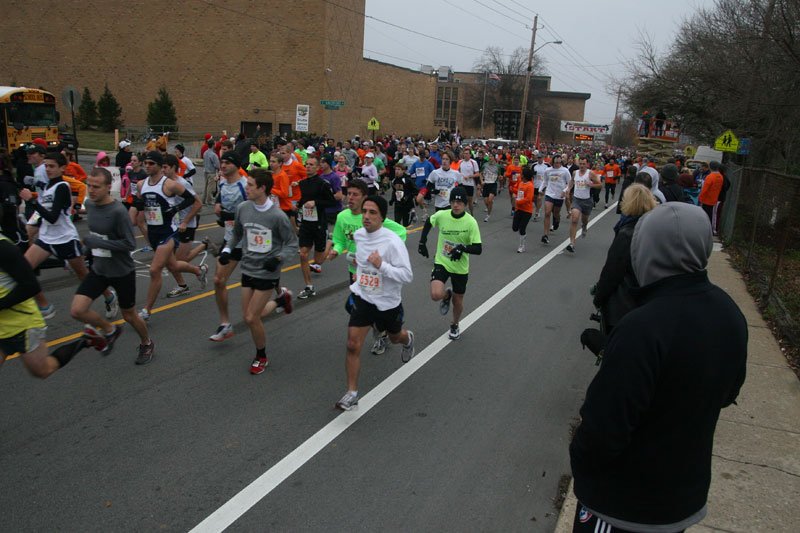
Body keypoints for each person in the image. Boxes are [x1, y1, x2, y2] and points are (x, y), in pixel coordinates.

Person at [570, 202, 748, 533]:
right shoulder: (730, 313)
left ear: (645, 249)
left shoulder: (642, 326)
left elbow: (602, 432)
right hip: (682, 499)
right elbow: (728, 392)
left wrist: (581, 459)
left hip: (621, 505)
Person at [335, 195, 415, 411]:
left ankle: (408, 340)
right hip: (364, 297)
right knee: (352, 344)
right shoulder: (359, 236)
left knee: (395, 336)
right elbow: (361, 263)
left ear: (381, 217)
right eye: (365, 212)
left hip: (388, 303)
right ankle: (352, 394)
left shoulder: (392, 242)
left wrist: (382, 266)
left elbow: (407, 276)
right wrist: (358, 276)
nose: (367, 216)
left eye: (372, 213)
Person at [70, 168, 155, 364]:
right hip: (99, 269)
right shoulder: (90, 205)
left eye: (96, 187)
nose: (91, 190)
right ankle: (110, 330)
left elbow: (129, 244)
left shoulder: (118, 212)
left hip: (121, 271)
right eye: (89, 186)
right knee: (77, 310)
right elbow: (96, 237)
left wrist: (96, 243)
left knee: (129, 315)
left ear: (109, 187)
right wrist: (86, 251)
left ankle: (146, 342)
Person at [19, 152, 118, 320]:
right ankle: (45, 306)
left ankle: (109, 296)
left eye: (52, 166)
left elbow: (53, 217)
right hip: (45, 238)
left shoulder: (62, 187)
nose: (48, 169)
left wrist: (31, 201)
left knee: (83, 275)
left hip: (64, 238)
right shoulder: (46, 187)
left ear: (62, 168)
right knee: (23, 268)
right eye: (46, 165)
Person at [218, 169, 298, 374]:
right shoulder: (243, 208)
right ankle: (281, 300)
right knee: (248, 316)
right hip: (248, 267)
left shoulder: (277, 216)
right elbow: (236, 234)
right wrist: (227, 250)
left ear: (262, 188)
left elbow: (291, 244)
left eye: (250, 185)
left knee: (252, 318)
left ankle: (261, 356)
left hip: (267, 271)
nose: (246, 188)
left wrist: (277, 259)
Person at [329, 179, 407, 356]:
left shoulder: (373, 217)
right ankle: (379, 329)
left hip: (375, 273)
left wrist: (383, 254)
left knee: (375, 308)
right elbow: (340, 240)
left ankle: (383, 333)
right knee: (352, 307)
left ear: (365, 197)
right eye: (349, 194)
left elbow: (401, 232)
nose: (350, 198)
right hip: (354, 271)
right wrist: (336, 250)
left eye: (355, 195)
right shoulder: (343, 217)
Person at [136, 151, 207, 321]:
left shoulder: (170, 185)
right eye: (146, 163)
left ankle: (146, 310)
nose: (147, 166)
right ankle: (199, 270)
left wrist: (175, 210)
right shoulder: (141, 184)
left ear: (160, 166)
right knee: (173, 265)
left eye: (151, 163)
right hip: (153, 231)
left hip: (168, 232)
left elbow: (192, 200)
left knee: (155, 270)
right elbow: (138, 205)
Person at [417, 186, 482, 340]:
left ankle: (454, 323)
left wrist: (463, 248)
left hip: (460, 267)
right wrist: (422, 242)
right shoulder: (442, 215)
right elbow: (428, 222)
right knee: (435, 294)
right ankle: (446, 295)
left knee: (458, 301)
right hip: (443, 261)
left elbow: (478, 248)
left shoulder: (471, 222)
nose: (455, 205)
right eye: (453, 201)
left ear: (465, 204)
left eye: (459, 202)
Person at [592, 184, 657, 334]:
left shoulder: (627, 233)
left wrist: (599, 297)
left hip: (625, 303)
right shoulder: (654, 229)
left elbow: (612, 271)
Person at [208, 152, 251, 341]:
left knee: (264, 280)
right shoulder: (224, 183)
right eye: (221, 162)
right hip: (231, 240)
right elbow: (221, 199)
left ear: (236, 165)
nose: (223, 165)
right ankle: (225, 324)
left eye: (227, 162)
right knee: (218, 280)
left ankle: (281, 293)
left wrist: (229, 216)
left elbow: (254, 213)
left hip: (250, 241)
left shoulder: (246, 185)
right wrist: (219, 207)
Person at [160, 154, 208, 298]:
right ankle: (183, 285)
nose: (162, 170)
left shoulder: (182, 183)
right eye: (161, 167)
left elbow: (198, 203)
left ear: (174, 168)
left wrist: (186, 221)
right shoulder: (166, 183)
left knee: (180, 261)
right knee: (171, 261)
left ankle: (200, 269)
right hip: (173, 226)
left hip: (186, 224)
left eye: (165, 167)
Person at [296, 155, 337, 300]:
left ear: (317, 167)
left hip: (319, 223)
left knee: (318, 261)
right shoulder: (303, 183)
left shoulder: (323, 184)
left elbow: (331, 202)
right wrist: (298, 204)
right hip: (307, 223)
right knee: (303, 254)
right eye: (306, 164)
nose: (308, 166)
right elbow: (303, 199)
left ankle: (329, 243)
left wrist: (316, 202)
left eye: (311, 164)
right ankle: (309, 286)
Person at [565, 156, 603, 253]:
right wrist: (569, 188)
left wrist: (590, 185)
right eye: (580, 164)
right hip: (577, 199)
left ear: (587, 164)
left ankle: (584, 226)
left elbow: (600, 185)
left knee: (584, 219)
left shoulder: (590, 174)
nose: (581, 166)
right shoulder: (575, 173)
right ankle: (572, 243)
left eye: (583, 164)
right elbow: (572, 181)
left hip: (587, 201)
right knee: (574, 219)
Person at [539, 155, 571, 244]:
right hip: (549, 193)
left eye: (559, 162)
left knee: (556, 213)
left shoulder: (565, 171)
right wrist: (540, 190)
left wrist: (565, 191)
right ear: (552, 162)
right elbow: (545, 181)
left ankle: (557, 220)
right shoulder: (548, 170)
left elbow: (570, 183)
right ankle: (545, 235)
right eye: (555, 162)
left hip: (559, 195)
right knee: (547, 212)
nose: (557, 164)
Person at [417, 151, 460, 216]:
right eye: (443, 159)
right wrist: (433, 191)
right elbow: (429, 185)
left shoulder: (455, 173)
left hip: (450, 203)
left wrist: (456, 193)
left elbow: (462, 186)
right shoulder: (435, 173)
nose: (444, 161)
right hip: (439, 203)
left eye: (446, 159)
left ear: (450, 161)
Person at [512, 167, 535, 253]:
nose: (520, 176)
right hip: (519, 209)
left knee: (522, 228)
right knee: (515, 228)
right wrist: (514, 192)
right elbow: (516, 190)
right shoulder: (521, 183)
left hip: (527, 210)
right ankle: (522, 234)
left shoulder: (530, 186)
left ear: (525, 176)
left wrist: (518, 202)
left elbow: (528, 199)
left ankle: (522, 246)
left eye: (522, 174)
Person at [388, 161, 418, 226]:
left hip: (407, 204)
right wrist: (392, 200)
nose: (397, 171)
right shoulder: (394, 180)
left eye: (399, 169)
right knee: (397, 222)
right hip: (398, 204)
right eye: (396, 169)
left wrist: (408, 197)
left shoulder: (407, 180)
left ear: (403, 170)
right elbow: (394, 191)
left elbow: (415, 190)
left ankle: (413, 212)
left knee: (405, 223)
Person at [457, 148, 480, 215]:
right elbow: (457, 170)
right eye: (464, 153)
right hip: (461, 184)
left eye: (467, 154)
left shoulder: (473, 162)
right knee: (461, 200)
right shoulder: (460, 162)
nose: (465, 155)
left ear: (470, 155)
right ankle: (460, 214)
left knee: (469, 201)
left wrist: (469, 176)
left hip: (469, 184)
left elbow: (477, 174)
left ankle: (471, 214)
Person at [480, 152, 502, 222]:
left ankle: (488, 215)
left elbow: (499, 175)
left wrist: (500, 177)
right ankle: (489, 206)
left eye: (491, 156)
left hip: (493, 184)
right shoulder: (485, 165)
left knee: (489, 200)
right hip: (486, 184)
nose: (490, 158)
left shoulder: (497, 166)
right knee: (486, 201)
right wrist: (482, 181)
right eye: (489, 156)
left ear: (494, 157)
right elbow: (480, 173)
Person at [202, 139, 220, 205]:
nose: (216, 145)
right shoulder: (213, 155)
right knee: (211, 187)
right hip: (211, 172)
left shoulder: (205, 153)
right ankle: (209, 200)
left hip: (206, 171)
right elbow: (217, 165)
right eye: (215, 144)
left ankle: (203, 199)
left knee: (206, 186)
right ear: (213, 145)